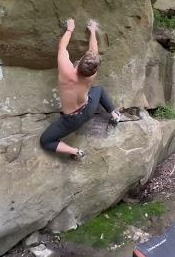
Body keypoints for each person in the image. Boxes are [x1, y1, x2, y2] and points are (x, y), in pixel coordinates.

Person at [39, 18, 121, 159]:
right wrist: (93, 30)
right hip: (88, 109)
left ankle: (75, 152)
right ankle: (114, 113)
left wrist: (70, 29)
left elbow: (62, 47)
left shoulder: (67, 73)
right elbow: (93, 51)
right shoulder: (92, 75)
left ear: (79, 63)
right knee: (99, 89)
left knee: (45, 141)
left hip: (71, 120)